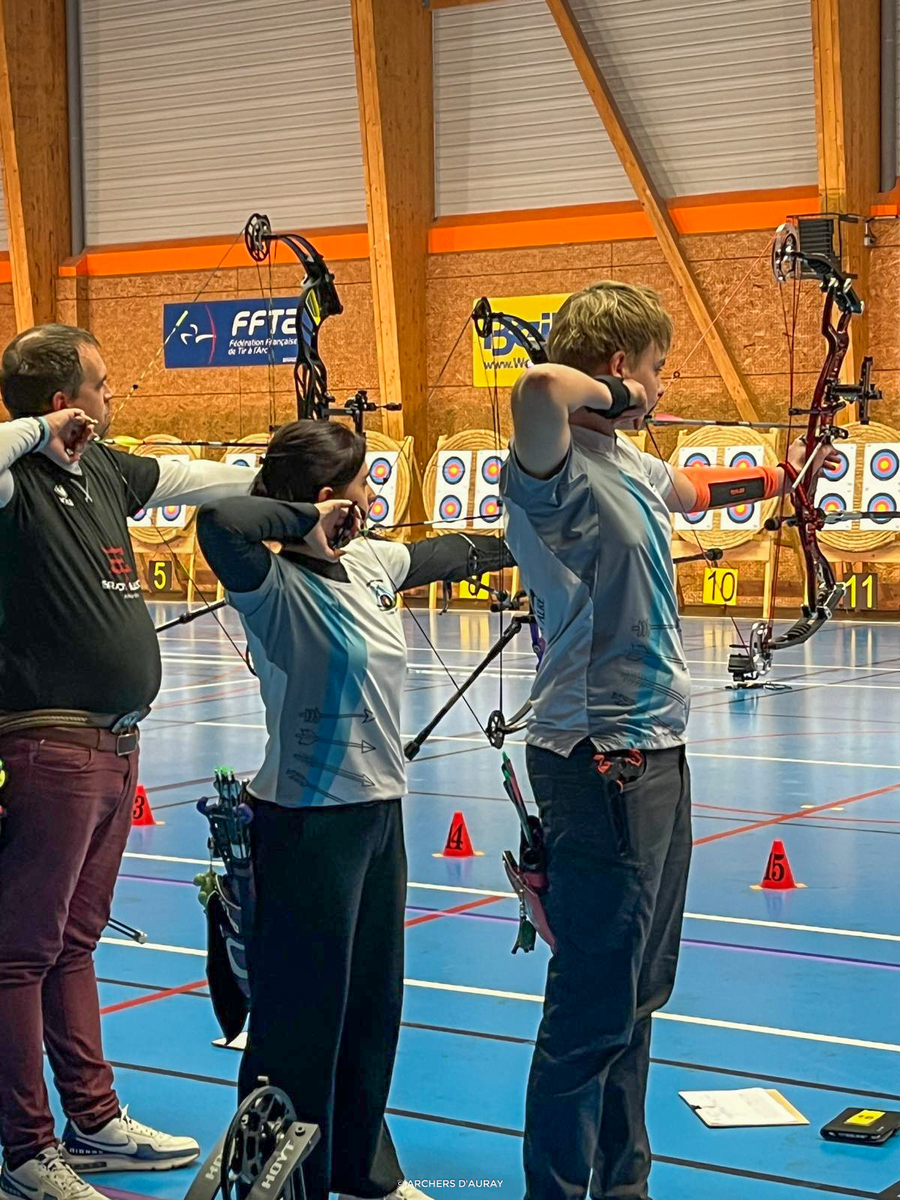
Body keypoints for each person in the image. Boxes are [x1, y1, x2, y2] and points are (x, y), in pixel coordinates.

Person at [499, 281, 839, 1200]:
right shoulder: (551, 467)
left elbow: (693, 493)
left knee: (639, 993)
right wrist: (625, 395)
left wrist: (786, 476)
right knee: (593, 1002)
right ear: (618, 368)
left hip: (654, 749)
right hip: (595, 754)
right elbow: (538, 386)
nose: (663, 384)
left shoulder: (627, 464)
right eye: (656, 367)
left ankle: (623, 1185)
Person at [195, 418, 513, 1200]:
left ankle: (359, 1168)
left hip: (378, 816)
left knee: (373, 1004)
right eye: (362, 484)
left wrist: (535, 536)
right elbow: (221, 520)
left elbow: (453, 553)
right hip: (305, 823)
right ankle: (279, 1181)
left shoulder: (372, 563)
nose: (373, 496)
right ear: (328, 497)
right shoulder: (268, 585)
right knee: (299, 1015)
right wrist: (308, 519)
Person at [0, 325, 260, 1200]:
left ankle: (95, 1122)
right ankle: (28, 1150)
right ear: (61, 401)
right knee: (20, 952)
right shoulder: (16, 479)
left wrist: (294, 478)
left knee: (74, 943)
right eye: (101, 385)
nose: (113, 398)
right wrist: (41, 433)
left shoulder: (107, 470)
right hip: (48, 747)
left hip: (115, 745)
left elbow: (195, 479)